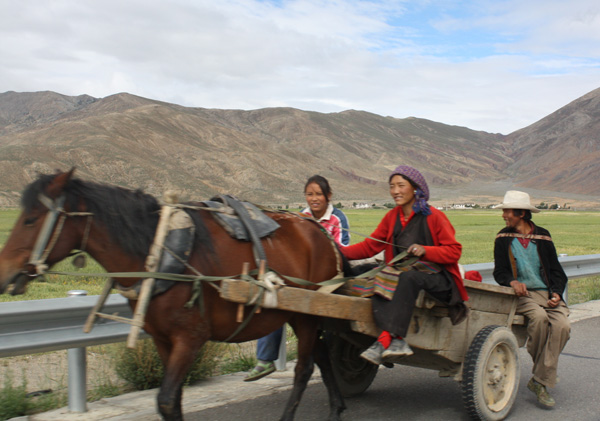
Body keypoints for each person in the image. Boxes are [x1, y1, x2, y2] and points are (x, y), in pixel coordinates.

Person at [341, 165, 468, 365]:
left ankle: (390, 339)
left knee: (406, 278)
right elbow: (370, 246)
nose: (395, 191)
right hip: (403, 273)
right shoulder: (392, 217)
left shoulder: (434, 216)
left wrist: (426, 250)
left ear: (415, 188)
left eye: (401, 185)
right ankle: (388, 339)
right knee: (370, 275)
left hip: (438, 278)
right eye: (392, 186)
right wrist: (339, 252)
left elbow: (454, 251)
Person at [244, 175, 350, 381]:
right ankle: (265, 359)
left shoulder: (338, 218)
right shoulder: (301, 217)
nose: (314, 198)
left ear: (328, 196)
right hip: (304, 276)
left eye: (318, 194)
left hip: (329, 276)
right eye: (309, 194)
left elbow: (343, 250)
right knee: (277, 299)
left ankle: (327, 356)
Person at [493, 190, 570, 408]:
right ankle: (542, 380)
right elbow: (500, 272)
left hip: (546, 293)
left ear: (521, 213)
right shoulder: (503, 238)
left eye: (507, 211)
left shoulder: (543, 236)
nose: (504, 215)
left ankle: (538, 379)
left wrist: (556, 293)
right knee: (539, 319)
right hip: (522, 295)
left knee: (563, 326)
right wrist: (512, 282)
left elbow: (556, 271)